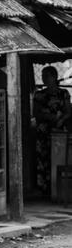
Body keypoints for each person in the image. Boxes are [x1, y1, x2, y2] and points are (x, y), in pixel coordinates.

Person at [33, 66, 71, 196]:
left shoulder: (63, 93)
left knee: (58, 158)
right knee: (42, 159)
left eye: (47, 76)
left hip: (59, 132)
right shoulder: (39, 95)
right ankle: (43, 189)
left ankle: (57, 189)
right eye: (43, 76)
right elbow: (36, 114)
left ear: (54, 77)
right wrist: (50, 117)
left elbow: (68, 111)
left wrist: (60, 120)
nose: (44, 79)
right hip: (43, 131)